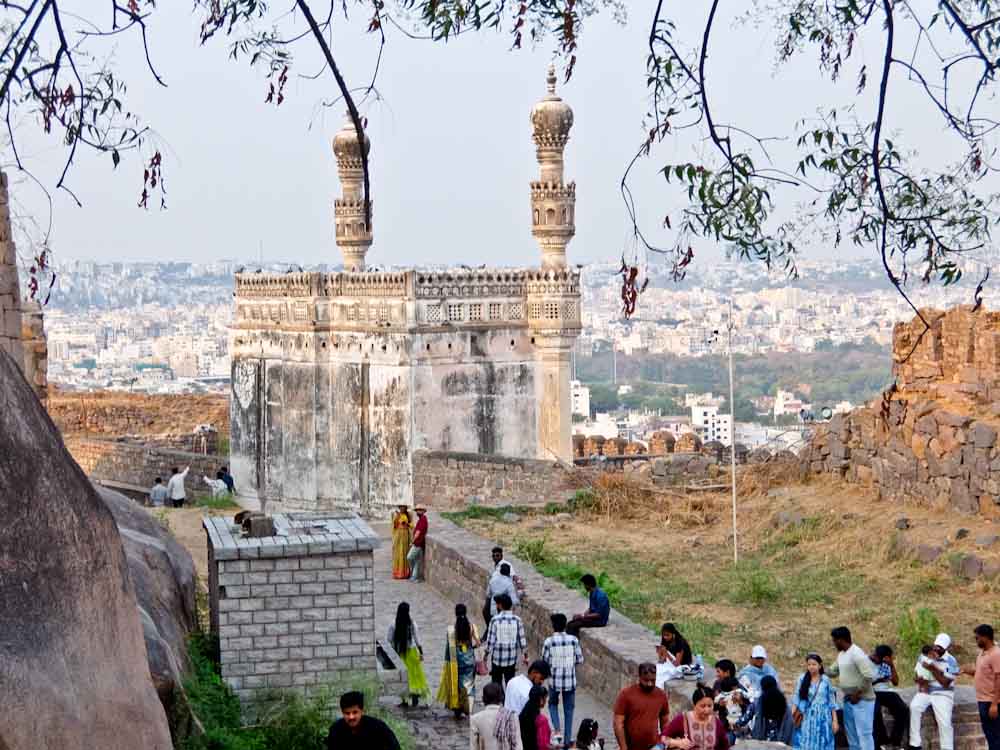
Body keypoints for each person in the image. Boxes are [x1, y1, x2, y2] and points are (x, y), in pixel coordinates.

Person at [908, 633, 961, 750]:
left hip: (943, 693)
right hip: (926, 690)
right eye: (935, 646)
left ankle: (947, 747)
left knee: (944, 721)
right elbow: (917, 674)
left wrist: (932, 668)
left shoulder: (951, 661)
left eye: (940, 647)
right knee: (914, 707)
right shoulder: (924, 655)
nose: (937, 649)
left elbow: (945, 683)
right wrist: (919, 681)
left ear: (946, 648)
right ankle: (915, 744)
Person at [828, 626, 877, 750]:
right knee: (852, 736)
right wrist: (819, 669)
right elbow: (833, 671)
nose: (833, 643)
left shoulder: (856, 653)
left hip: (862, 700)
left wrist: (858, 694)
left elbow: (868, 675)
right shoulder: (841, 654)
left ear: (841, 640)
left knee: (864, 734)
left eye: (834, 640)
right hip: (849, 700)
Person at [543, 613, 584, 746]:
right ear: (565, 625)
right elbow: (580, 659)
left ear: (553, 626)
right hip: (570, 681)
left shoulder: (549, 642)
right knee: (569, 710)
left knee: (552, 704)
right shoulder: (573, 640)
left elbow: (544, 661)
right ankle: (567, 740)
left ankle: (557, 730)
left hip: (554, 681)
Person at [613, 662, 671, 750]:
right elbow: (618, 723)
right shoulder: (626, 694)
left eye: (653, 680)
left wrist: (665, 742)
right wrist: (623, 747)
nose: (649, 684)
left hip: (653, 746)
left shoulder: (661, 696)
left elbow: (665, 722)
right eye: (646, 680)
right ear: (639, 677)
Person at [437, 603, 480, 718]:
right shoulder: (472, 627)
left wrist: (447, 662)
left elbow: (448, 648)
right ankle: (468, 707)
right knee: (469, 684)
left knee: (457, 685)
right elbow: (477, 643)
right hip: (470, 660)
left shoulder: (452, 630)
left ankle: (458, 708)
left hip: (456, 662)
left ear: (456, 614)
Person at [962, 624, 1000, 750]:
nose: (976, 640)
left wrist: (994, 704)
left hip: (991, 702)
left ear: (985, 637)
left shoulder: (996, 654)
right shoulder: (982, 654)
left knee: (995, 736)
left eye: (977, 638)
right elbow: (981, 673)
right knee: (990, 735)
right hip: (982, 700)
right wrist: (968, 671)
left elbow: (998, 678)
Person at [661, 683, 730, 750]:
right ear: (694, 705)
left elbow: (725, 745)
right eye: (702, 706)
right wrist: (678, 743)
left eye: (710, 706)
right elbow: (662, 738)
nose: (707, 710)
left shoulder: (716, 722)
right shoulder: (682, 719)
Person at [325, 690, 401, 750]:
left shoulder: (378, 728)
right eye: (347, 713)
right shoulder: (336, 730)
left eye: (355, 712)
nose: (351, 717)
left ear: (362, 711)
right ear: (342, 713)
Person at [387, 602, 429, 707]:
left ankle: (405, 700)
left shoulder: (393, 624)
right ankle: (416, 696)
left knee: (404, 676)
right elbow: (417, 640)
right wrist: (421, 652)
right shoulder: (412, 623)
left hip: (401, 653)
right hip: (413, 653)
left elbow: (389, 639)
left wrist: (395, 649)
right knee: (415, 675)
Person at [793, 653, 839, 750]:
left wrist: (835, 721)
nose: (811, 667)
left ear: (819, 665)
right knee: (806, 742)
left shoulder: (825, 680)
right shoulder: (802, 679)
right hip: (807, 716)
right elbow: (797, 698)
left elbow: (831, 701)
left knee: (823, 742)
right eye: (809, 664)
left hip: (824, 717)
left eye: (814, 664)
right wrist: (793, 715)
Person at [485, 593, 528, 687]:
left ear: (500, 605)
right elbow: (522, 640)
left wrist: (486, 655)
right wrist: (525, 655)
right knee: (510, 683)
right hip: (511, 659)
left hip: (497, 659)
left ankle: (499, 699)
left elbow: (490, 642)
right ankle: (507, 700)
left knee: (496, 683)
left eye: (497, 604)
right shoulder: (517, 620)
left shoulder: (495, 620)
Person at [870, 645, 907, 750]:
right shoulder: (866, 662)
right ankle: (882, 742)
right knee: (875, 712)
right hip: (871, 691)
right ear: (876, 656)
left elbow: (896, 682)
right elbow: (864, 684)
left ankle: (895, 742)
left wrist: (892, 665)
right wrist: (879, 680)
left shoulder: (886, 664)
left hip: (885, 691)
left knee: (903, 709)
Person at [472, 682, 524, 750]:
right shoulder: (511, 716)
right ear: (501, 698)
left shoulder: (475, 719)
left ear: (483, 699)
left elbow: (473, 746)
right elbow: (517, 745)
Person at [750, 674, 795, 744]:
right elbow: (789, 723)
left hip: (762, 741)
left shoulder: (759, 702)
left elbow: (747, 716)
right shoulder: (783, 702)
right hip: (779, 740)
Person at [519, 685, 552, 750]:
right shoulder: (541, 719)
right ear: (541, 699)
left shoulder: (526, 708)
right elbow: (543, 745)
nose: (546, 701)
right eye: (545, 698)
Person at [407, 505, 428, 581]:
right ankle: (415, 576)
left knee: (409, 557)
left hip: (418, 543)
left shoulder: (422, 520)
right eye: (417, 510)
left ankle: (414, 574)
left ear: (423, 511)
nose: (418, 512)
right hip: (419, 543)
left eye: (419, 510)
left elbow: (418, 532)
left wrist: (412, 541)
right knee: (416, 560)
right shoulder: (421, 519)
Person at [391, 505, 412, 580]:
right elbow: (394, 525)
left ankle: (405, 573)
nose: (402, 508)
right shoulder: (396, 515)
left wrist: (407, 524)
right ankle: (398, 573)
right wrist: (397, 519)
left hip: (405, 536)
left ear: (406, 508)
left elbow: (412, 525)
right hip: (398, 536)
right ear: (399, 508)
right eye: (401, 507)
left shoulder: (408, 515)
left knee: (404, 552)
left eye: (404, 507)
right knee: (398, 553)